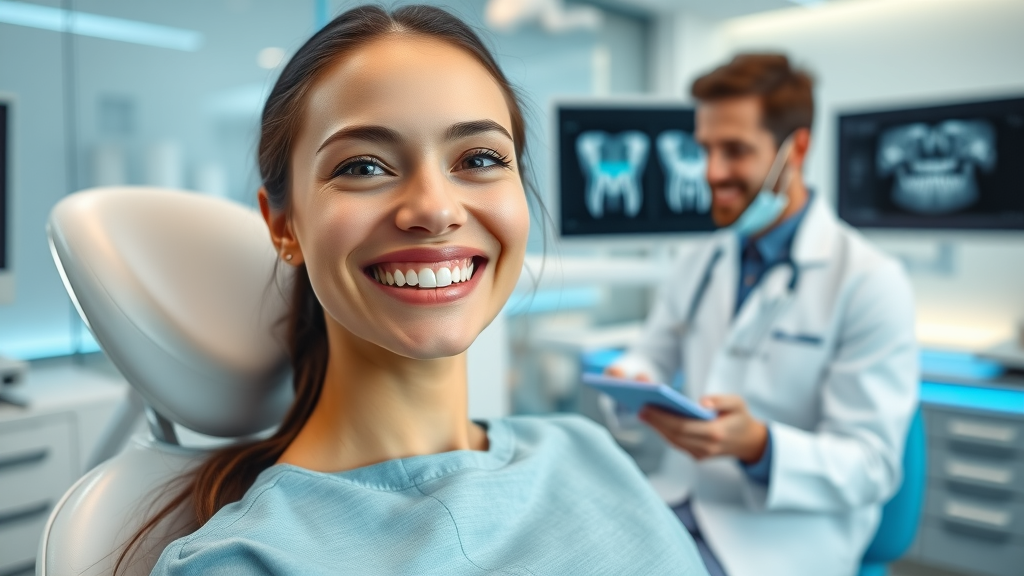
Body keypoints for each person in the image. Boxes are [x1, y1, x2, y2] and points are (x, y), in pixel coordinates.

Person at [127, 6, 708, 576]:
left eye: (479, 158)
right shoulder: (249, 561)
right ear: (283, 226)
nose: (434, 209)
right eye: (363, 166)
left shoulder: (588, 452)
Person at [606, 54, 919, 576]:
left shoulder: (870, 281)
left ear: (795, 149)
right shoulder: (700, 261)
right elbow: (651, 354)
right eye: (704, 149)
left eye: (735, 151)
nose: (712, 172)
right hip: (678, 506)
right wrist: (631, 376)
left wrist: (759, 446)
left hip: (781, 538)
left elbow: (874, 467)